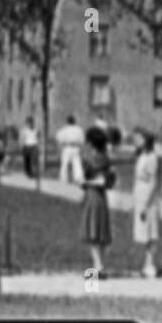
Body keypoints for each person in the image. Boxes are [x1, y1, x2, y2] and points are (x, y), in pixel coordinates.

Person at [80, 125, 115, 275]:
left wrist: (85, 182)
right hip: (102, 197)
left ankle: (97, 267)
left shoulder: (90, 160)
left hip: (92, 195)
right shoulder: (106, 159)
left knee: (93, 234)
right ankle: (98, 265)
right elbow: (108, 180)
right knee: (99, 233)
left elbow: (88, 180)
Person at [132, 130, 161, 278]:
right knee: (144, 232)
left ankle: (151, 264)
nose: (136, 140)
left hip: (148, 198)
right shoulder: (141, 156)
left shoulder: (152, 157)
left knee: (150, 231)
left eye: (139, 138)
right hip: (140, 194)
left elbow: (153, 181)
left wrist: (145, 203)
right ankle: (146, 263)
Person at [57, 115, 86, 184]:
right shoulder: (78, 129)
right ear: (74, 121)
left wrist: (61, 144)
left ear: (67, 121)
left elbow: (59, 138)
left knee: (65, 163)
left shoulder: (64, 129)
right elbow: (82, 140)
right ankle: (78, 178)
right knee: (77, 163)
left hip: (67, 147)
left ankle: (63, 179)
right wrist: (81, 147)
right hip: (75, 147)